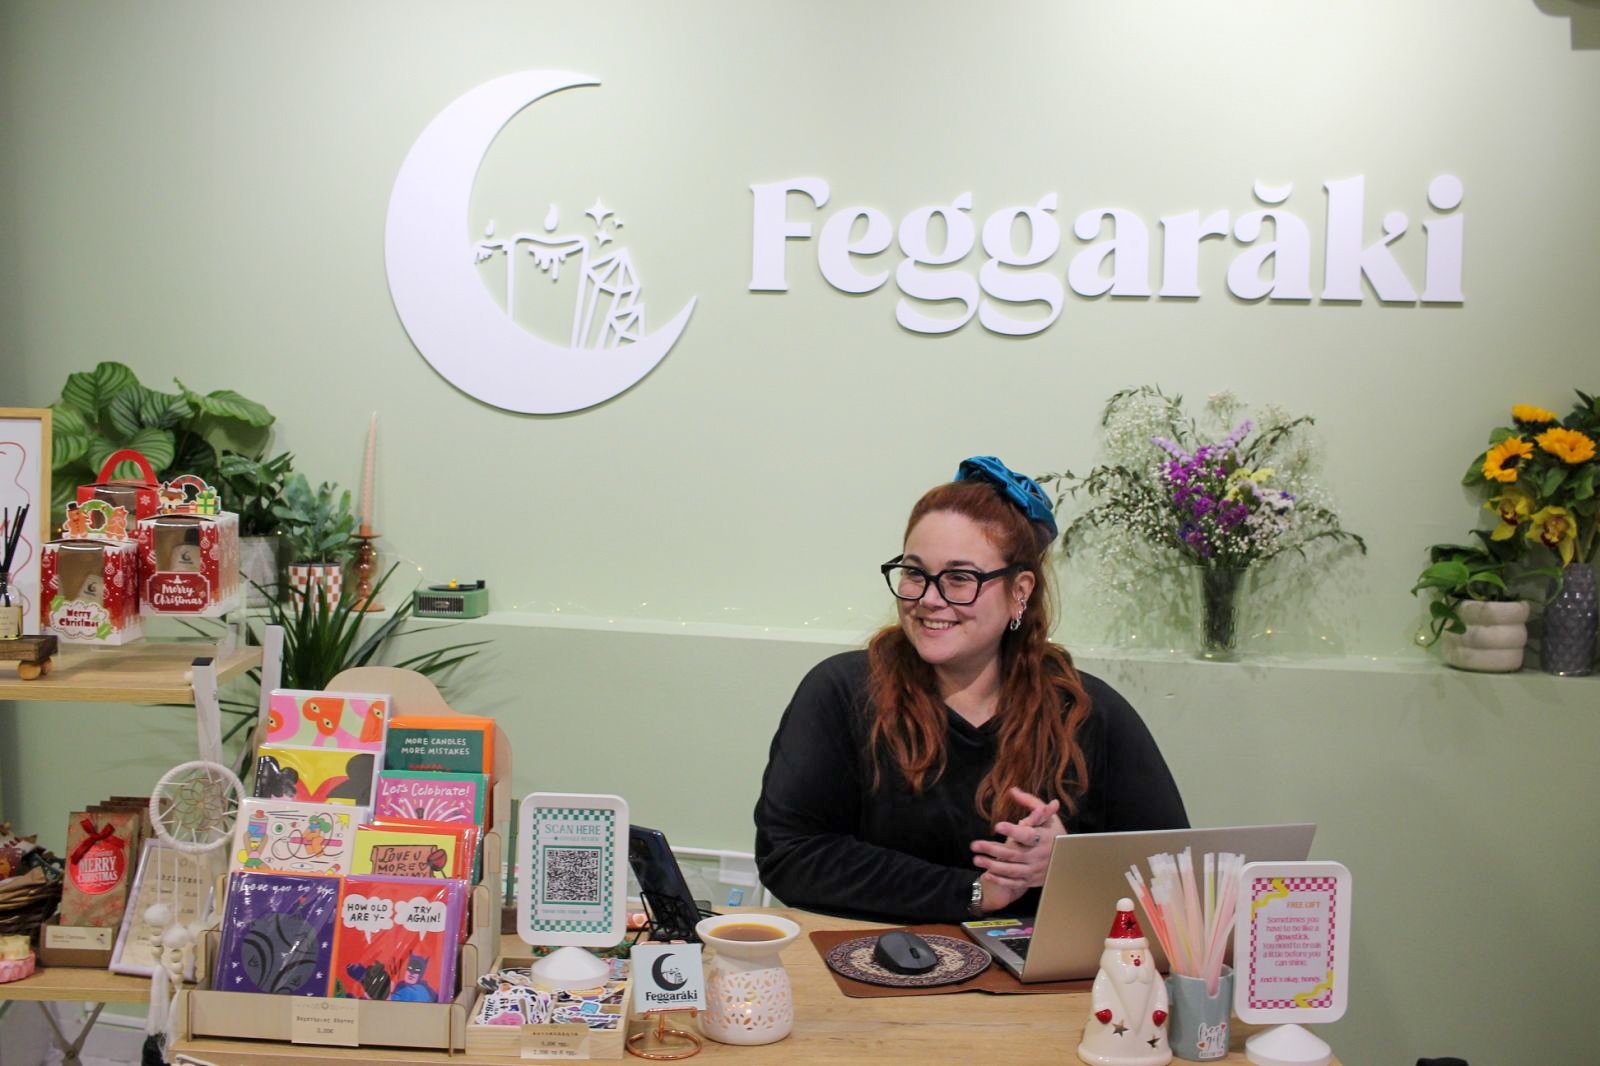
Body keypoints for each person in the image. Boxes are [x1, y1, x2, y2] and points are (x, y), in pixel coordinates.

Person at [754, 457, 1187, 923]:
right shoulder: (843, 693)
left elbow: (1174, 876)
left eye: (960, 578)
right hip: (869, 960)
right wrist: (975, 892)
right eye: (915, 573)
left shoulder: (1086, 712)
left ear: (1020, 590)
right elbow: (790, 854)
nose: (928, 599)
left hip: (1035, 968)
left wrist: (1069, 863)